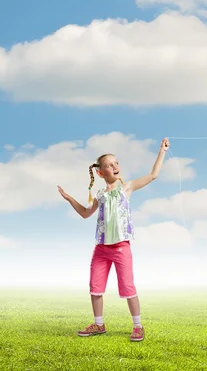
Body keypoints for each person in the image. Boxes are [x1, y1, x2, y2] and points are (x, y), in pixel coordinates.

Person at [57, 137, 170, 342]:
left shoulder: (127, 188)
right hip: (101, 249)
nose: (115, 166)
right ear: (101, 173)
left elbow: (153, 175)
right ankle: (99, 324)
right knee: (95, 288)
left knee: (128, 287)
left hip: (121, 248)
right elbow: (84, 213)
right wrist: (69, 198)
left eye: (116, 163)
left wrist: (161, 151)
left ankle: (138, 326)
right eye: (109, 165)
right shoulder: (100, 194)